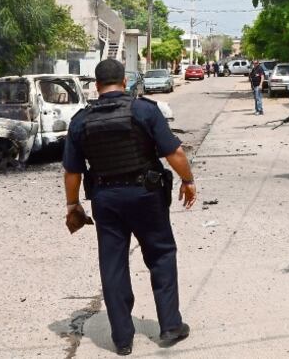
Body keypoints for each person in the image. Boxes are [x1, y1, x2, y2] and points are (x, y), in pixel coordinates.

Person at [63, 59, 195, 356]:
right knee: (161, 254)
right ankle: (171, 325)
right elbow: (173, 151)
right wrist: (188, 180)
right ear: (124, 81)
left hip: (105, 200)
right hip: (146, 194)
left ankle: (122, 339)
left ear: (96, 87)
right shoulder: (144, 110)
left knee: (113, 264)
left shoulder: (81, 120)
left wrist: (72, 204)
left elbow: (72, 172)